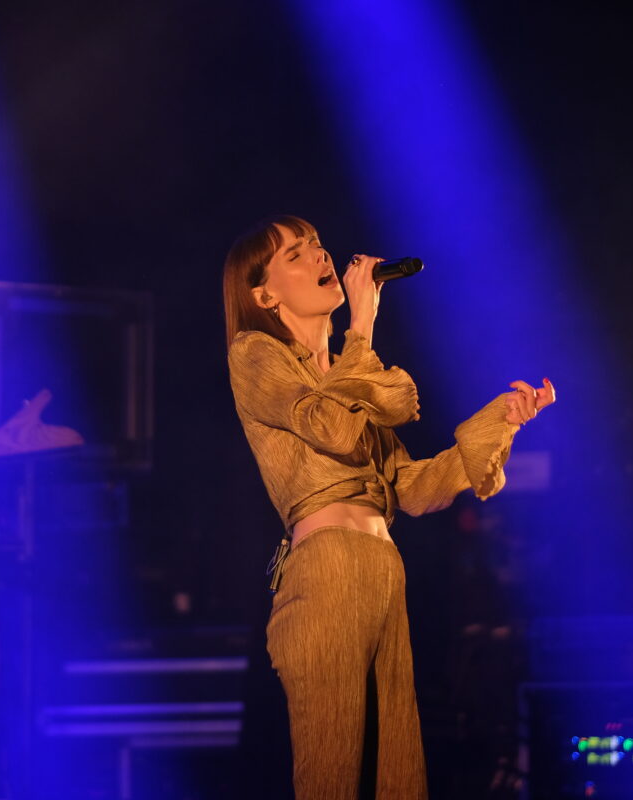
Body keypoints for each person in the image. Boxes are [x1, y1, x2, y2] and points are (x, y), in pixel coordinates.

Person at [223, 216, 554, 799]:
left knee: (396, 775)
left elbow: (412, 488)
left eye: (317, 244)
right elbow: (330, 427)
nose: (321, 256)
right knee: (331, 775)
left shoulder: (349, 377)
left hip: (383, 572)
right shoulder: (255, 354)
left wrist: (499, 423)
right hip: (326, 572)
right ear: (265, 295)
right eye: (296, 254)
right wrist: (363, 324)